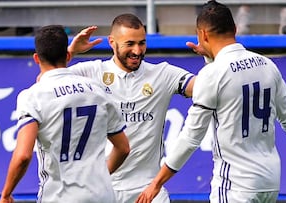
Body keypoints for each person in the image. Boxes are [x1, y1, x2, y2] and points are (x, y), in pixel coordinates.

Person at [135, 1, 286, 203]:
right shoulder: (267, 66)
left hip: (235, 184)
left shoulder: (212, 74)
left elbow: (190, 138)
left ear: (203, 35)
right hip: (269, 181)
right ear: (235, 28)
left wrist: (157, 183)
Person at [67, 13, 195, 203]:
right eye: (130, 44)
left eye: (142, 43)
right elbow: (44, 84)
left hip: (149, 190)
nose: (137, 51)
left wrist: (210, 57)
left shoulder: (162, 74)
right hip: (103, 189)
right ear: (112, 42)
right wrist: (70, 54)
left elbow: (206, 89)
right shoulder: (92, 72)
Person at [0, 25, 130, 203]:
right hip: (102, 195)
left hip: (59, 197)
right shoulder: (97, 89)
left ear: (36, 58)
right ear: (67, 56)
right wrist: (99, 178)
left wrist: (6, 193)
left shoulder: (33, 96)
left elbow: (23, 156)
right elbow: (123, 148)